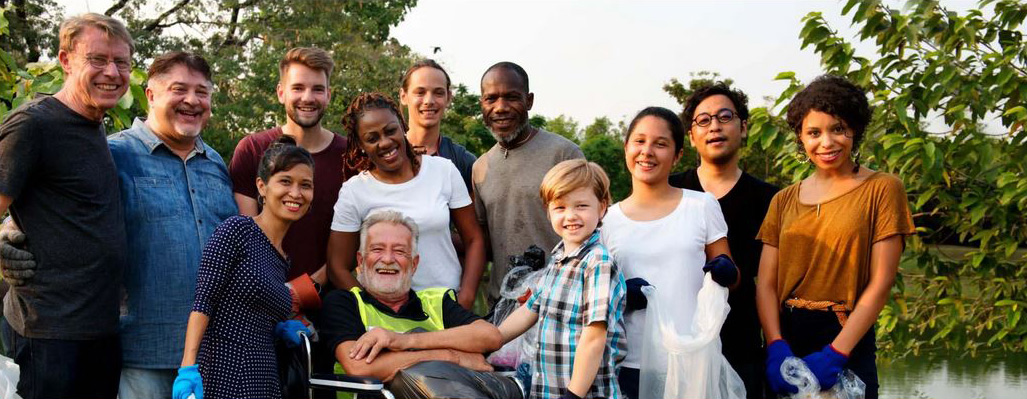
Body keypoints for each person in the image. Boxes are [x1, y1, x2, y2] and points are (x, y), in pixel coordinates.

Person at [0, 13, 133, 399]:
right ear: (65, 60)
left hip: (99, 328)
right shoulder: (33, 125)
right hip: (48, 331)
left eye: (121, 62)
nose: (112, 72)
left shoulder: (94, 124)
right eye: (97, 59)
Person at [757, 75, 914, 399]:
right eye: (814, 132)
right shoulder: (783, 200)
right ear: (801, 137)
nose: (826, 142)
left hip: (845, 334)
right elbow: (767, 284)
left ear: (855, 130)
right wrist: (774, 345)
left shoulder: (882, 189)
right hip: (787, 339)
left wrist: (837, 353)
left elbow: (881, 281)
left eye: (838, 129)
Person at [600, 106, 738, 399]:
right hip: (629, 363)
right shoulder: (607, 220)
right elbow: (596, 293)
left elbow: (732, 276)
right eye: (639, 141)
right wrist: (621, 294)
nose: (647, 151)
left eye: (660, 144)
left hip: (692, 359)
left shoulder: (701, 206)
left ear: (676, 156)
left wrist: (725, 270)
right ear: (626, 148)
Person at [173, 138, 315, 399]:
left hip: (264, 378)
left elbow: (251, 308)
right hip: (222, 373)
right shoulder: (236, 231)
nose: (296, 193)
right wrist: (188, 368)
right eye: (285, 181)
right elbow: (203, 303)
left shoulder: (283, 258)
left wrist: (280, 326)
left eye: (305, 185)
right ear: (262, 186)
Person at [668, 83, 778, 398]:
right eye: (703, 120)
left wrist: (777, 347)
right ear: (690, 136)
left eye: (724, 117)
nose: (714, 126)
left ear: (743, 127)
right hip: (675, 347)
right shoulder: (670, 191)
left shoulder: (770, 200)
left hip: (743, 348)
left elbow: (777, 284)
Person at [327, 93, 485, 309]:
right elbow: (337, 267)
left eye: (390, 131)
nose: (385, 142)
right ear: (361, 144)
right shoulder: (354, 192)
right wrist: (373, 309)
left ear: (402, 126)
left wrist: (465, 298)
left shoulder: (443, 170)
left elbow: (474, 239)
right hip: (386, 315)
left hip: (448, 306)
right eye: (372, 138)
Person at [319, 210, 506, 386]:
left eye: (399, 251)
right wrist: (451, 357)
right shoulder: (344, 302)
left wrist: (401, 341)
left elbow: (490, 337)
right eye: (377, 249)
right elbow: (359, 368)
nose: (387, 259)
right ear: (360, 261)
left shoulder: (436, 302)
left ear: (414, 264)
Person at [498, 159, 627, 399]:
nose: (571, 216)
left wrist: (573, 394)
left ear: (602, 208)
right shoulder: (558, 259)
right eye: (560, 208)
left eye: (581, 206)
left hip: (583, 393)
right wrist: (492, 340)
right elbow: (530, 309)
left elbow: (594, 336)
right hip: (548, 390)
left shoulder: (598, 262)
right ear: (548, 212)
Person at [230, 47, 350, 283]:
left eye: (317, 89)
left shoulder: (350, 156)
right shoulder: (252, 149)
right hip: (261, 293)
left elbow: (354, 242)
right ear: (281, 92)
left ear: (328, 95)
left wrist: (303, 292)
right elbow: (248, 239)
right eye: (298, 88)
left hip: (331, 300)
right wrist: (278, 295)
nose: (307, 97)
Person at [472, 62, 583, 304]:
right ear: (482, 104)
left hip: (558, 302)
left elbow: (588, 232)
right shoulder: (480, 168)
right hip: (501, 305)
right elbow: (481, 242)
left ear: (529, 101)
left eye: (511, 97)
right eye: (491, 99)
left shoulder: (563, 154)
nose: (500, 108)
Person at [399, 58, 477, 192]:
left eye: (438, 93)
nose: (429, 101)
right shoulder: (384, 154)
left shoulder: (464, 162)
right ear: (403, 96)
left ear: (449, 98)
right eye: (420, 92)